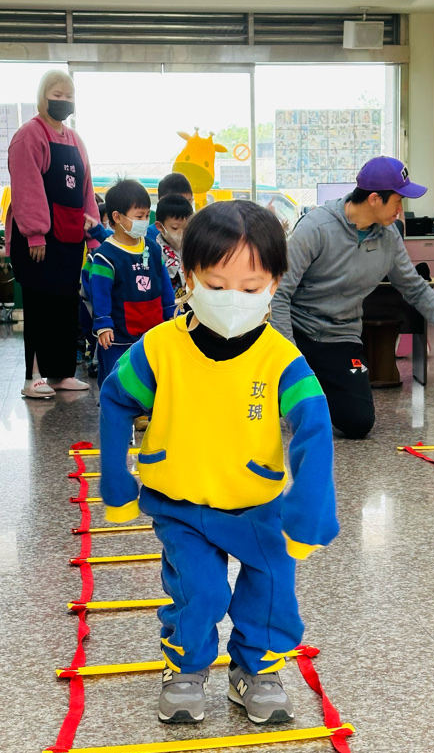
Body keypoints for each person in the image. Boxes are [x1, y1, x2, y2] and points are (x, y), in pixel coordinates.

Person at [99, 200, 339, 726]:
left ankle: (256, 669)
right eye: (216, 284)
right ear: (188, 277)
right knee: (199, 591)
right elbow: (115, 399)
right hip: (181, 501)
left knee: (273, 588)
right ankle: (184, 669)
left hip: (256, 503)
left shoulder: (280, 358)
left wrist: (308, 514)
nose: (234, 300)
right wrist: (116, 482)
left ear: (275, 284)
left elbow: (315, 427)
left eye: (251, 289)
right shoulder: (160, 349)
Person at [270, 157, 434, 438]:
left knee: (358, 423)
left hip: (340, 338)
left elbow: (416, 288)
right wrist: (290, 358)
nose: (400, 210)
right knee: (284, 405)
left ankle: (315, 393)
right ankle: (296, 393)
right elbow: (279, 294)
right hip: (299, 332)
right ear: (374, 199)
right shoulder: (316, 228)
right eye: (397, 201)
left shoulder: (389, 237)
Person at [7, 69, 99, 399]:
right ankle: (33, 378)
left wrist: (93, 232)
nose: (63, 101)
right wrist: (35, 234)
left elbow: (86, 188)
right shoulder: (29, 135)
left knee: (64, 307)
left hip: (69, 238)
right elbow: (27, 187)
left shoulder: (75, 140)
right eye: (56, 95)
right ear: (42, 97)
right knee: (39, 307)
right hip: (37, 241)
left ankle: (60, 374)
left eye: (68, 96)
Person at [88, 179, 176, 386]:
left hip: (152, 331)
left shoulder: (153, 248)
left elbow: (164, 283)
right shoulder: (105, 255)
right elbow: (99, 293)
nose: (144, 221)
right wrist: (103, 324)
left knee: (150, 378)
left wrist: (171, 311)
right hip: (118, 336)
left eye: (146, 216)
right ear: (117, 217)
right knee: (116, 379)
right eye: (139, 216)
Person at [154, 193, 193, 292]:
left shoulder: (193, 248)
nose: (182, 233)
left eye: (186, 228)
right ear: (159, 226)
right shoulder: (155, 252)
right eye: (175, 228)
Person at [146, 172, 194, 247]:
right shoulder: (148, 237)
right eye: (174, 228)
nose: (186, 208)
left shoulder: (197, 232)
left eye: (189, 202)